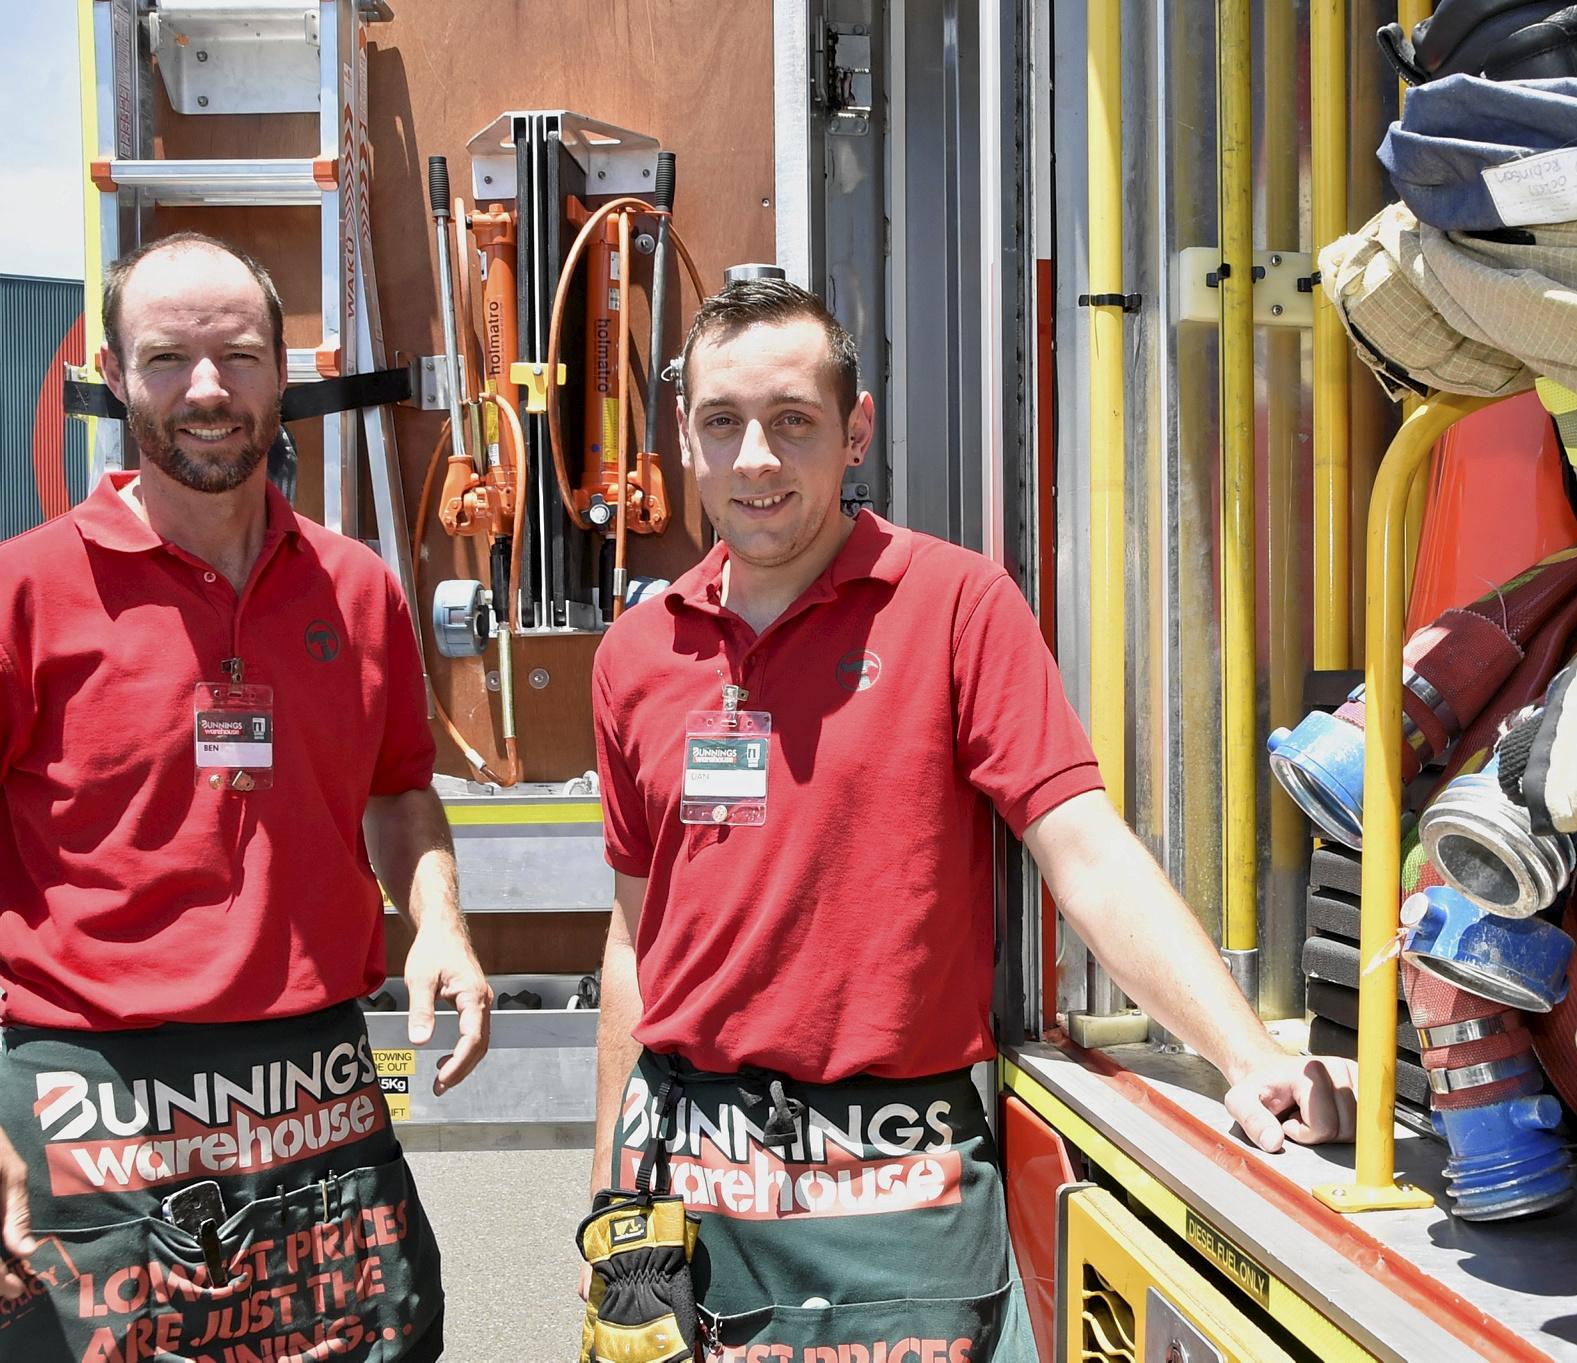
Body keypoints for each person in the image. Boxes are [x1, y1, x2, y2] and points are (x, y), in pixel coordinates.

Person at [586, 278, 1358, 1361]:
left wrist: (1238, 1050)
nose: (755, 458)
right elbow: (634, 938)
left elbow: (1080, 846)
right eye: (723, 423)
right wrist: (609, 1202)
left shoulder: (952, 604)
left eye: (792, 422)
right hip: (691, 1174)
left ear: (854, 432)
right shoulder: (636, 652)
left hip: (898, 1182)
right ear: (685, 439)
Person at [0, 233, 489, 1361]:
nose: (208, 390)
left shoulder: (356, 588)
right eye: (168, 358)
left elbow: (398, 786)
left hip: (314, 1086)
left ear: (284, 371)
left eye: (240, 356)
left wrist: (442, 926)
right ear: (115, 378)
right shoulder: (27, 592)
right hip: (92, 1099)